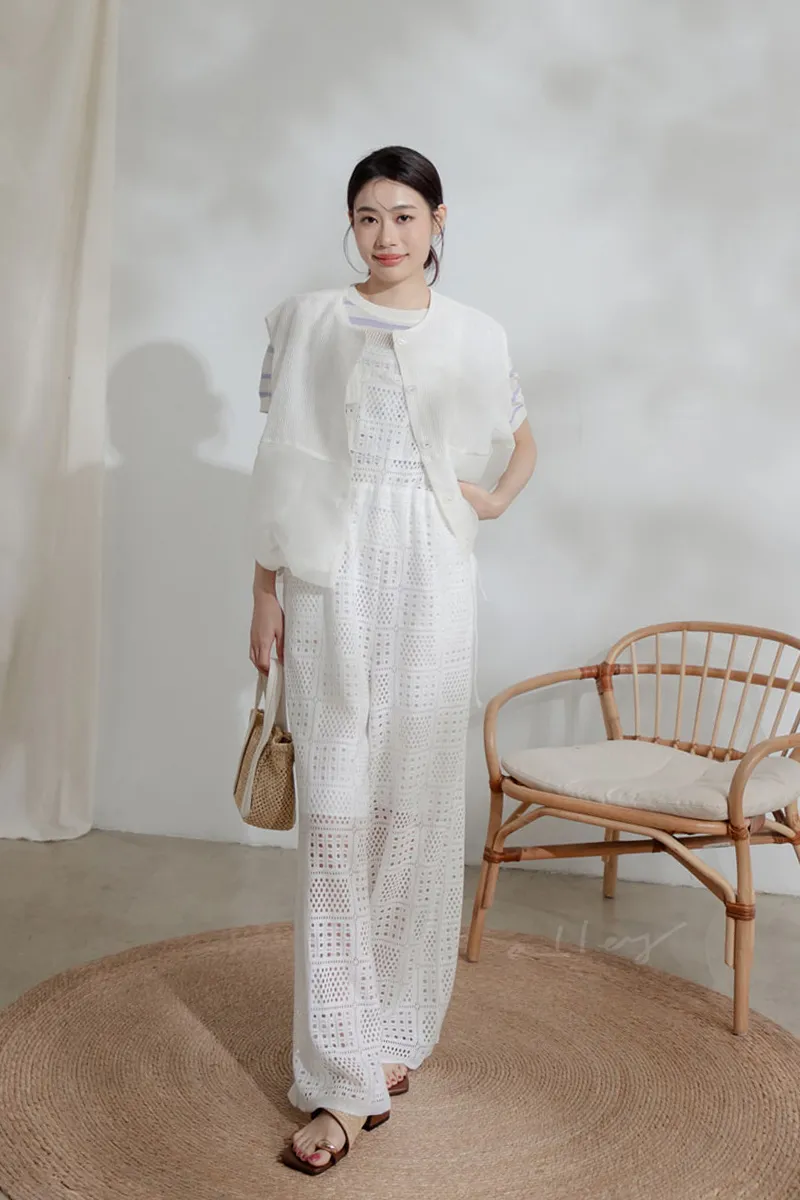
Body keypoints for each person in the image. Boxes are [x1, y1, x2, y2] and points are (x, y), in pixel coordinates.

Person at [248, 145, 538, 1176]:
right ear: (351, 223)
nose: (384, 236)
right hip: (330, 572)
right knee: (335, 815)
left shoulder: (476, 334)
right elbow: (278, 466)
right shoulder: (306, 319)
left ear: (437, 221)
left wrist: (491, 499)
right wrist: (264, 590)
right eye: (367, 216)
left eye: (404, 216)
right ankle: (339, 1080)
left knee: (413, 811)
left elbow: (521, 438)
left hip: (432, 574)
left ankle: (391, 1029)